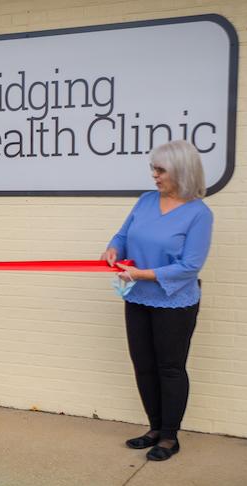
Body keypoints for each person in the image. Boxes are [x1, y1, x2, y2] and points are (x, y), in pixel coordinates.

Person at [102, 139, 213, 461]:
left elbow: (190, 266)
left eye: (161, 170)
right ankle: (153, 428)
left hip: (175, 302)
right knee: (144, 366)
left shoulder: (198, 214)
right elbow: (123, 236)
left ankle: (169, 437)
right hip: (137, 297)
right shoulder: (146, 201)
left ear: (181, 171)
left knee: (170, 368)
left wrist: (142, 274)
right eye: (154, 169)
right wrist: (113, 249)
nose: (155, 175)